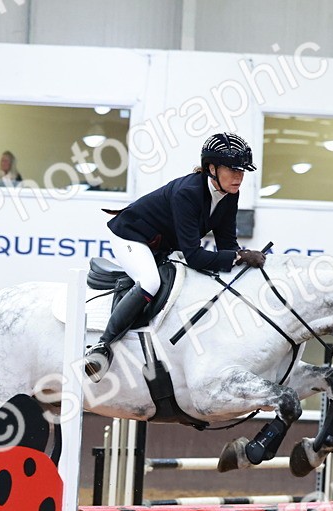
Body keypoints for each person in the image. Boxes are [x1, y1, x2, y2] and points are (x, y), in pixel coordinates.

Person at [82, 132, 266, 381]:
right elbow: (194, 256)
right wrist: (239, 256)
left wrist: (239, 259)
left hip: (161, 244)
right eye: (233, 170)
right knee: (150, 282)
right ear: (211, 168)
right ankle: (102, 347)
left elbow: (227, 245)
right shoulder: (188, 192)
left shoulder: (230, 194)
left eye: (242, 171)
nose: (239, 177)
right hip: (130, 235)